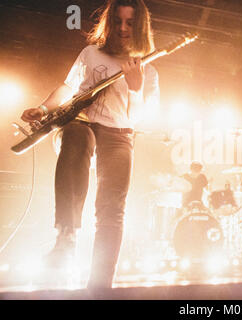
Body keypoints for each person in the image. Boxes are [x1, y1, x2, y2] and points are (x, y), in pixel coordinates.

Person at [20, 0, 160, 289]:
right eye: (118, 21)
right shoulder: (90, 53)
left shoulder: (149, 71)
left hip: (120, 133)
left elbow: (141, 120)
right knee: (75, 137)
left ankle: (100, 285)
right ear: (110, 23)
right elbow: (68, 87)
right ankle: (66, 237)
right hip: (82, 123)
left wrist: (136, 89)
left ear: (139, 26)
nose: (122, 28)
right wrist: (44, 109)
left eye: (129, 22)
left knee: (112, 206)